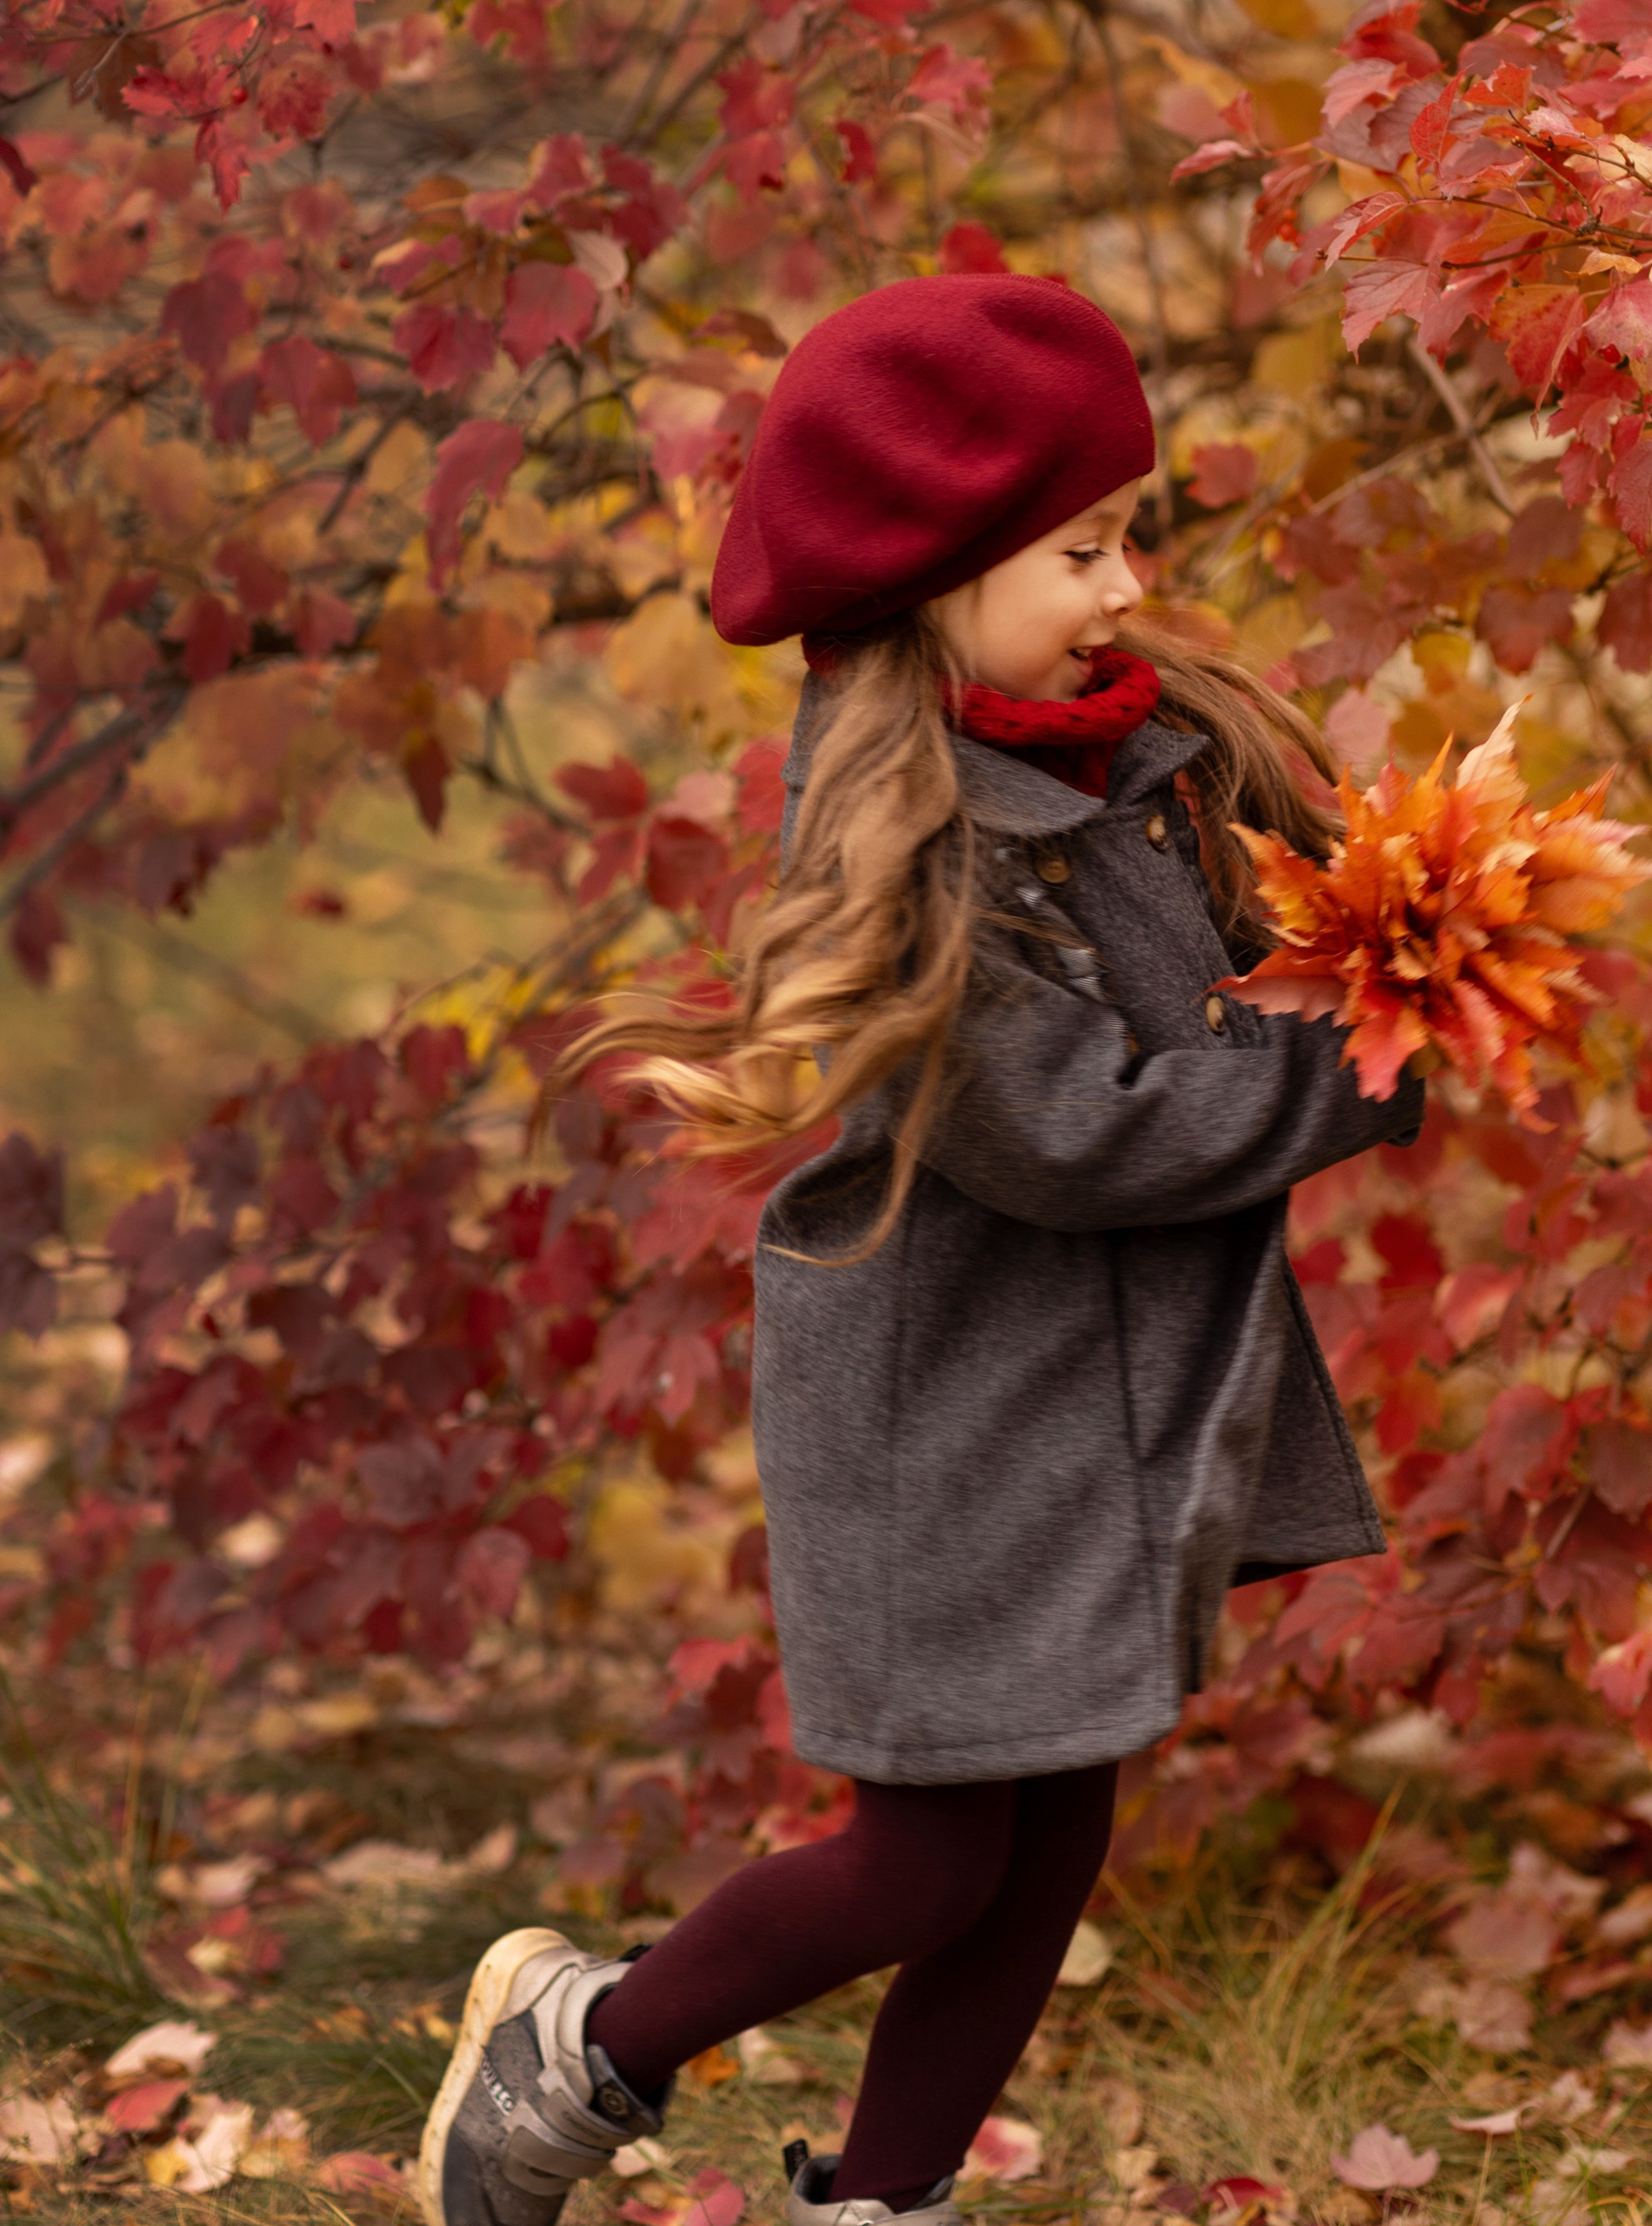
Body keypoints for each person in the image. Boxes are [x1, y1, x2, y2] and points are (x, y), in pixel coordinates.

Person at [419, 272, 1426, 2226]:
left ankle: (883, 2198)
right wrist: (1356, 1068)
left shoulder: (1137, 744)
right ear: (936, 573)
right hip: (943, 1407)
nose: (1127, 586)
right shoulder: (914, 840)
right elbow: (1067, 1129)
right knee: (925, 1858)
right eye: (1080, 550)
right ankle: (584, 2037)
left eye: (1127, 534)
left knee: (1047, 1841)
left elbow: (1282, 934)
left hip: (1089, 1392)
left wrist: (1420, 934)